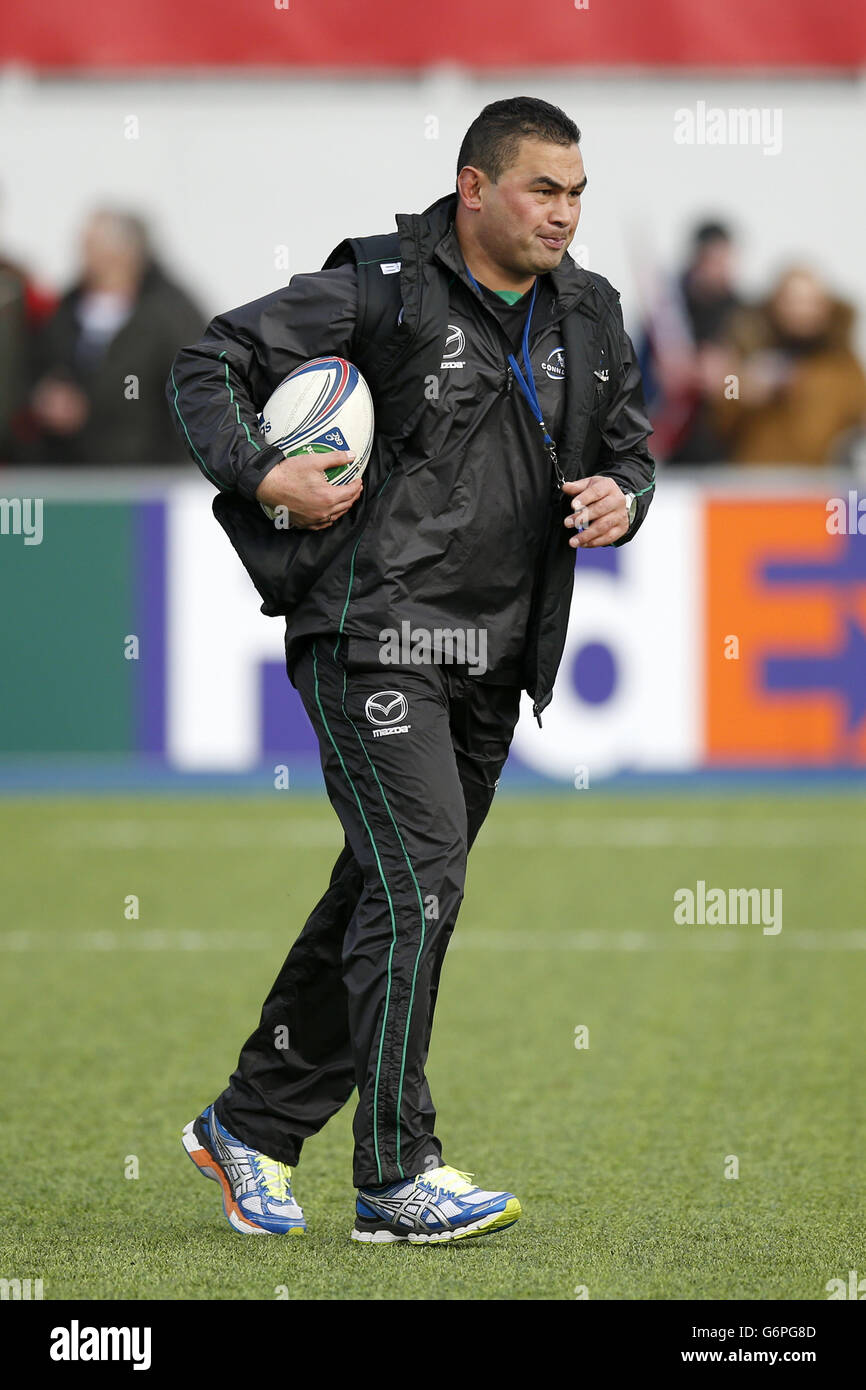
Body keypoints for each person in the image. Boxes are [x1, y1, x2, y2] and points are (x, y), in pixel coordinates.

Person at [167, 96, 656, 1245]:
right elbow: (209, 358)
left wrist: (621, 497)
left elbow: (629, 448)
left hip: (494, 651)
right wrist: (261, 475)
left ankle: (249, 1123)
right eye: (544, 188)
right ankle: (396, 1173)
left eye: (578, 191)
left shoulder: (588, 310)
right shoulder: (379, 284)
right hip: (368, 628)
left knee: (383, 892)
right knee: (421, 880)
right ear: (474, 188)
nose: (565, 212)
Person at [28, 209, 204, 465]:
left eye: (93, 247)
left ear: (125, 253)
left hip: (147, 472)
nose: (84, 257)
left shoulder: (171, 314)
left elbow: (193, 390)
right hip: (70, 469)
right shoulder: (66, 308)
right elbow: (40, 363)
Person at [711, 265, 866, 466]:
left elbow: (859, 411)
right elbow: (723, 408)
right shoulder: (749, 352)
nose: (800, 311)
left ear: (825, 307)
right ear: (775, 305)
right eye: (792, 301)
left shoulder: (842, 364)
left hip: (818, 483)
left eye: (809, 302)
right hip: (753, 482)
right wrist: (744, 389)